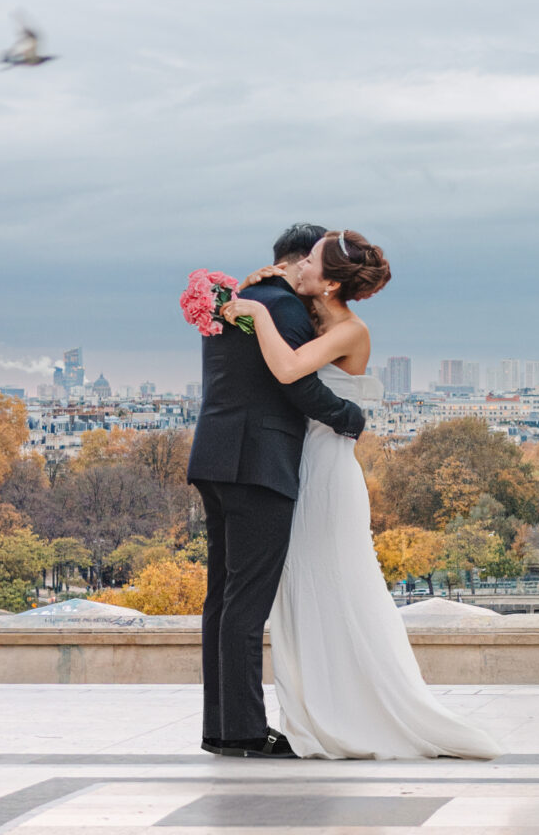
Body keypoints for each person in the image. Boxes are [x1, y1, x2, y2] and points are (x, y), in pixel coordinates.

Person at [221, 228, 500, 762]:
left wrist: (254, 313)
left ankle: (341, 713)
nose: (298, 266)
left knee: (327, 585)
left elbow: (285, 370)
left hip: (324, 472)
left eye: (308, 263)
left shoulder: (351, 330)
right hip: (306, 463)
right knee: (313, 589)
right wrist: (263, 283)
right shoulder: (323, 314)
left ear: (327, 284)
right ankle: (324, 710)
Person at [188, 219, 368, 758]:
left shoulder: (237, 299)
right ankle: (243, 732)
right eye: (311, 260)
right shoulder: (285, 310)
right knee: (247, 603)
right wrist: (351, 417)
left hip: (215, 454)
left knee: (221, 598)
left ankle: (220, 727)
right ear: (297, 263)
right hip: (260, 463)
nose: (313, 270)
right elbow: (298, 387)